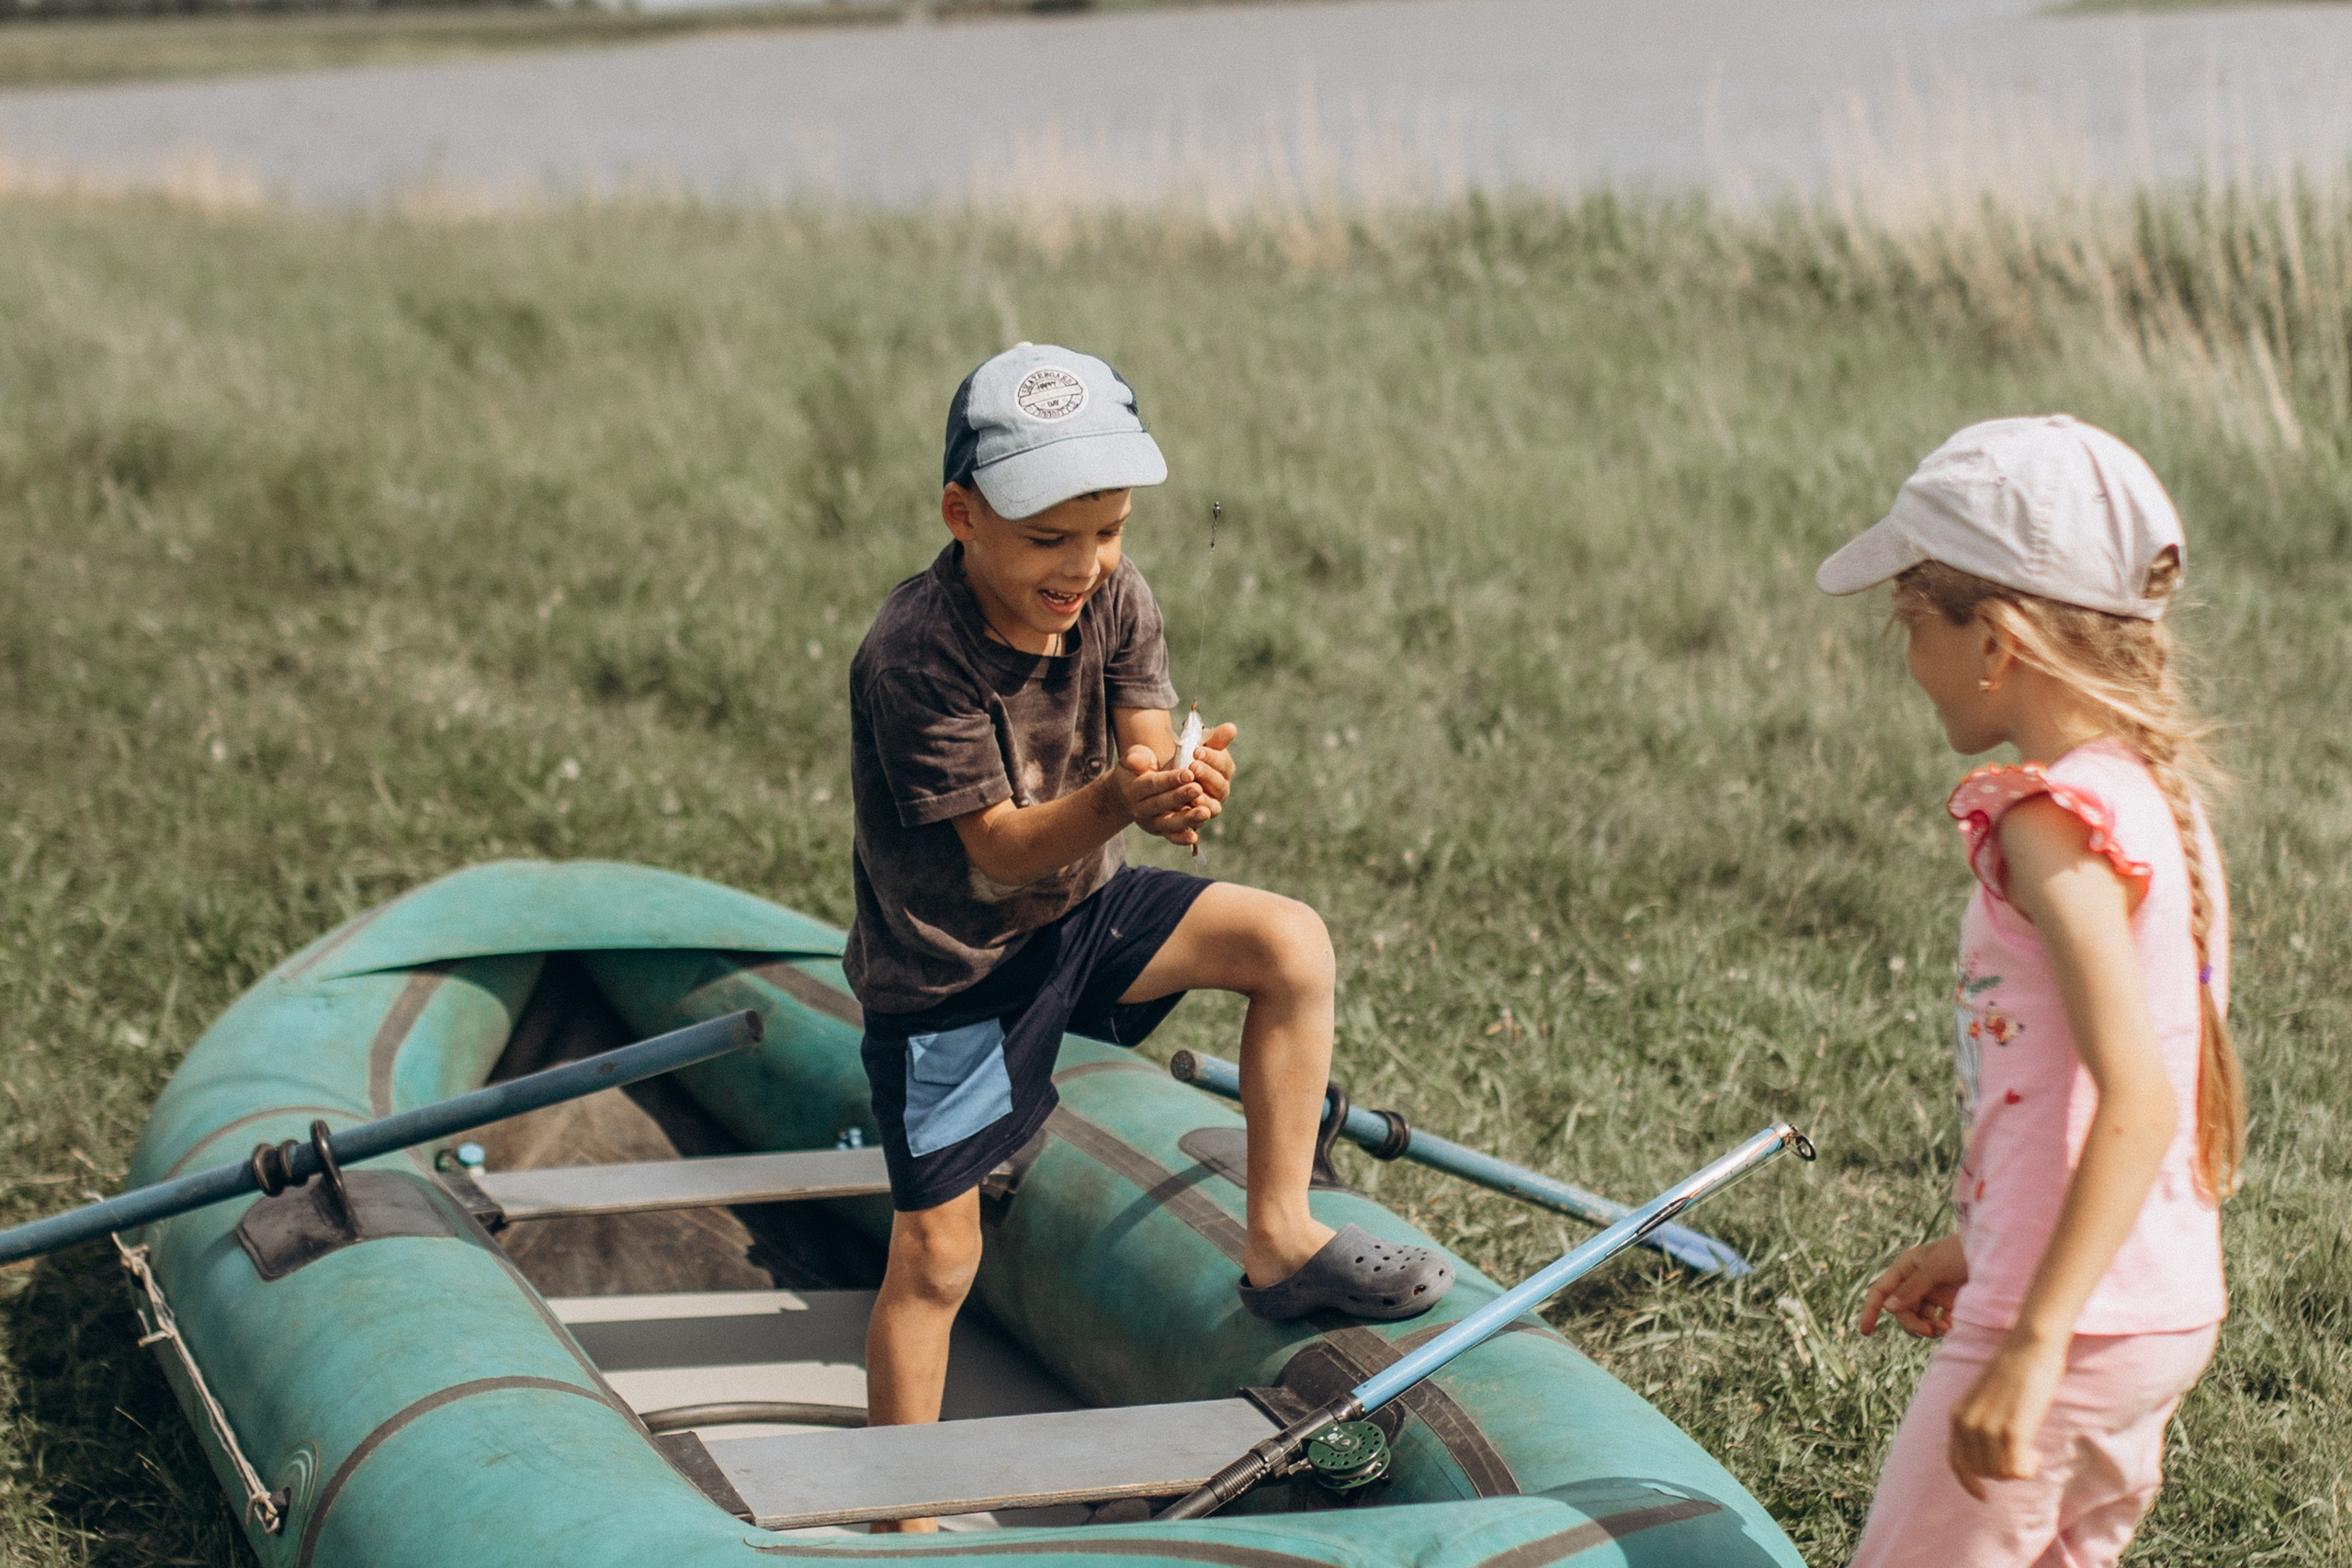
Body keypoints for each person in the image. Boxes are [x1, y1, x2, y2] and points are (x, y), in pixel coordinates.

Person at [845, 344, 1453, 1529]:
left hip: (1083, 912)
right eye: (1048, 540)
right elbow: (1002, 849)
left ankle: (1278, 1240)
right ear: (962, 516)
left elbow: (1142, 741)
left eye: (1107, 532)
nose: (1082, 568)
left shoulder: (1115, 597)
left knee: (1287, 943)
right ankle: (900, 1519)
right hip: (953, 975)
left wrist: (1175, 783)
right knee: (935, 1260)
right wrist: (1126, 799)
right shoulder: (913, 654)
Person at [1815, 415, 2245, 1568]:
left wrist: (2031, 1335)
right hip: (2157, 1310)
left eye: (1913, 625)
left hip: (2071, 1326)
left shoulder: (2049, 818)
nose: (1908, 661)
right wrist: (1983, 1241)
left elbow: (2137, 1100)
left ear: (1996, 642)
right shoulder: (2152, 795)